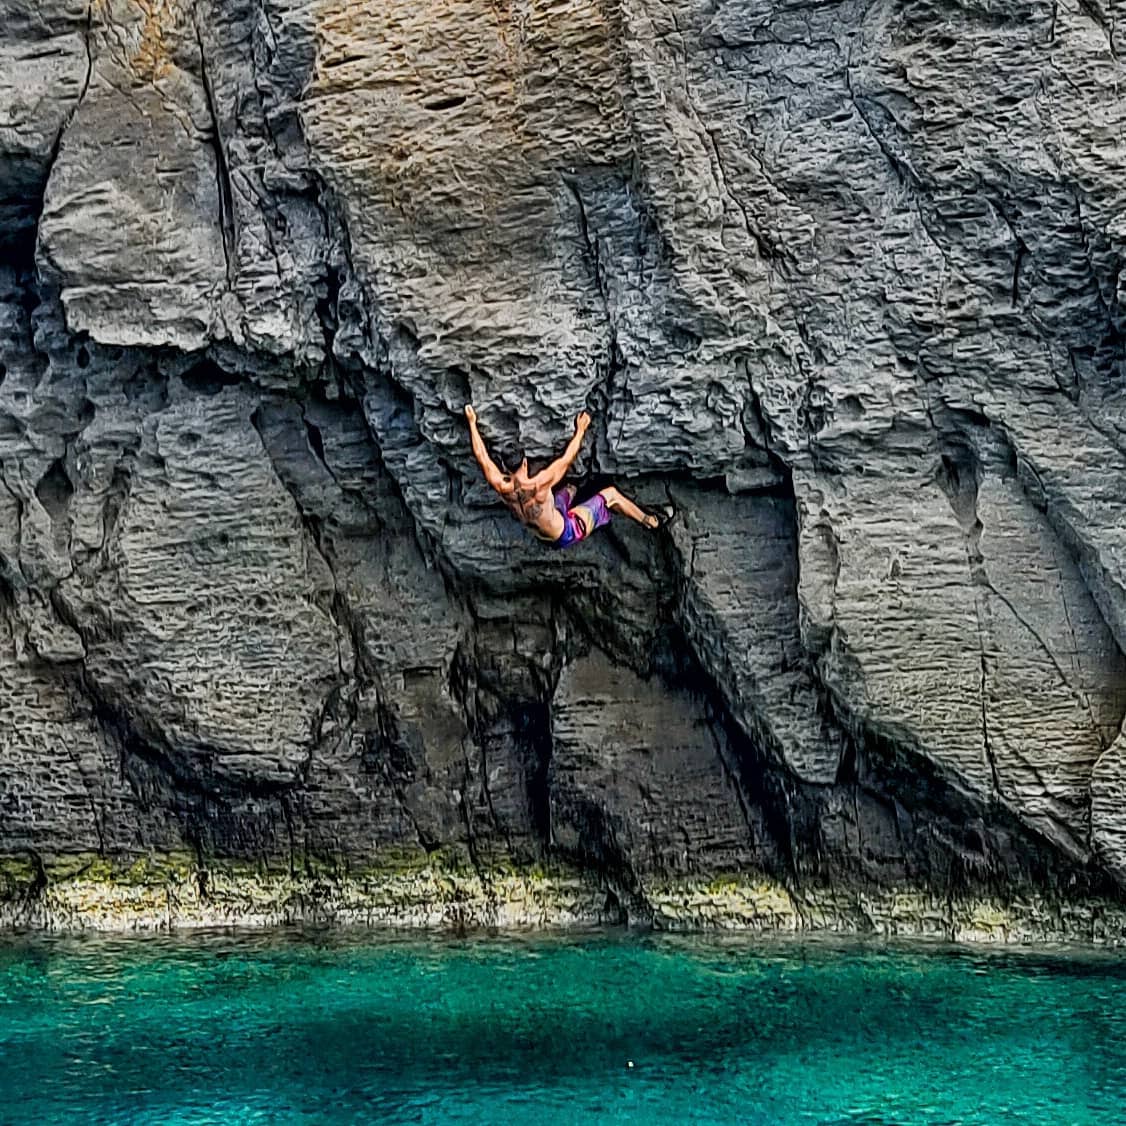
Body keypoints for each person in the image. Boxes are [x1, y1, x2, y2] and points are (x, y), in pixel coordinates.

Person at [464, 404, 662, 549]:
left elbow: (482, 458)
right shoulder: (540, 485)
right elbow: (566, 459)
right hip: (568, 531)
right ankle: (648, 520)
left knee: (570, 489)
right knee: (610, 494)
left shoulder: (503, 487)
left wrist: (472, 423)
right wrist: (581, 430)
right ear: (525, 464)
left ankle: (582, 498)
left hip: (544, 535)